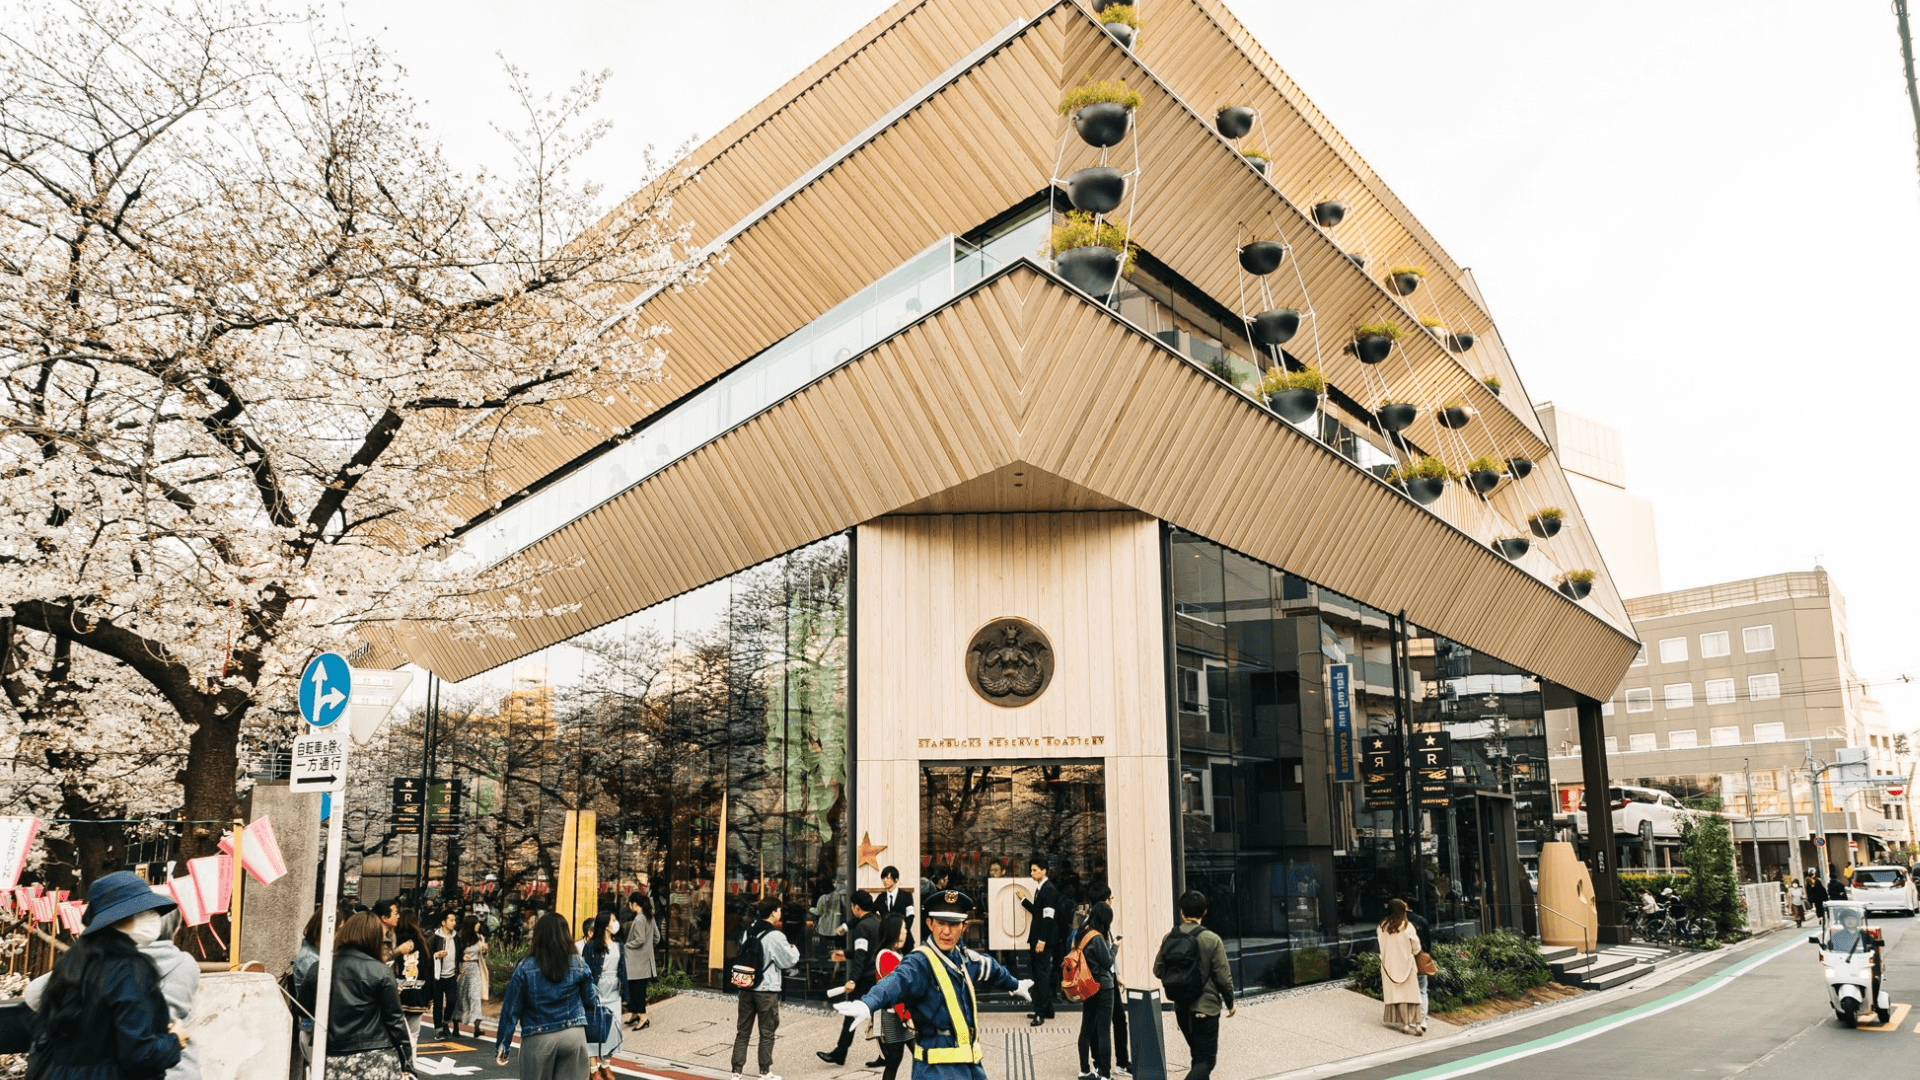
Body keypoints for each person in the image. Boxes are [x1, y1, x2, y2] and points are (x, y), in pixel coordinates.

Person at [833, 889, 1034, 1080]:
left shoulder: (965, 958)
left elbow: (991, 969)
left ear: (964, 927)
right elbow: (895, 981)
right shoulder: (920, 961)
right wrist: (867, 1004)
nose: (947, 931)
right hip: (936, 1070)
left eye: (954, 924)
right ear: (930, 924)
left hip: (971, 1066)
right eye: (941, 923)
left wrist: (1015, 985)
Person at [25, 871, 186, 1080]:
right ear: (114, 920)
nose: (152, 918)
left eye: (151, 911)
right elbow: (140, 1055)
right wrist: (174, 1040)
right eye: (140, 912)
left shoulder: (74, 961)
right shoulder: (130, 968)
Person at [298, 910, 414, 1079]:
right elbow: (395, 1021)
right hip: (377, 1058)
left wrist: (310, 1045)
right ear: (374, 939)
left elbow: (304, 1012)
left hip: (332, 1057)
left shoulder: (319, 968)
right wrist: (407, 1062)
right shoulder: (381, 972)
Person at [495, 912, 597, 1079]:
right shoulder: (578, 963)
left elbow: (511, 1008)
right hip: (573, 1035)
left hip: (538, 1038)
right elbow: (591, 1001)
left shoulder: (525, 967)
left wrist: (503, 1044)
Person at [1154, 891, 1234, 1080]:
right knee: (1206, 1061)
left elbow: (1158, 970)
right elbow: (1224, 978)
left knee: (1197, 1057)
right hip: (1205, 1007)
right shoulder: (1211, 939)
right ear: (1204, 911)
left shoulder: (1169, 937)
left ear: (1182, 912)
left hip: (1181, 1008)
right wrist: (1230, 1003)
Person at [730, 897, 801, 1080]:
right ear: (772, 913)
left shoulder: (748, 932)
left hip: (746, 986)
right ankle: (764, 1071)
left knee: (743, 1031)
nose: (780, 913)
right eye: (779, 910)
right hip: (766, 989)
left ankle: (736, 1072)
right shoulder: (776, 936)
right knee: (767, 1031)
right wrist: (793, 948)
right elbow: (788, 960)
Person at [819, 891, 879, 1066]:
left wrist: (852, 979)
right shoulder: (877, 922)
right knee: (881, 1016)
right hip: (878, 975)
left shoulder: (862, 927)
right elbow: (866, 951)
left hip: (865, 978)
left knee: (851, 1015)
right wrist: (845, 954)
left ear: (856, 907)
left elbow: (861, 955)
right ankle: (887, 1055)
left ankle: (840, 1053)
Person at [1073, 904, 1118, 1080]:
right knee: (1104, 1031)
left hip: (1086, 985)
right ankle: (1105, 1075)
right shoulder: (1097, 937)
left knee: (1086, 1029)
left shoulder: (1080, 933)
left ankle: (1084, 1070)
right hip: (1103, 987)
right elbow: (1107, 962)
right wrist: (1115, 947)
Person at [582, 914, 627, 1080]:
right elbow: (584, 971)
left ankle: (605, 1064)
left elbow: (623, 970)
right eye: (613, 920)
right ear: (605, 924)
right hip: (596, 994)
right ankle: (593, 1069)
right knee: (594, 1031)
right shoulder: (591, 946)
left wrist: (626, 995)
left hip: (614, 993)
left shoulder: (619, 945)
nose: (616, 923)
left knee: (613, 1031)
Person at [1021, 858, 1064, 1026]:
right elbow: (1037, 912)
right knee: (1040, 974)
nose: (1032, 873)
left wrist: (1042, 940)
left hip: (1042, 940)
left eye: (1034, 870)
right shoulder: (1042, 889)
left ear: (1044, 870)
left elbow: (1048, 917)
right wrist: (1024, 900)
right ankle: (1048, 1009)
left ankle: (1040, 1012)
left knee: (1041, 976)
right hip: (1039, 938)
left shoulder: (1048, 889)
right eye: (1031, 870)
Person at [870, 914, 913, 1080]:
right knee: (919, 1056)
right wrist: (907, 1017)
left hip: (897, 1014)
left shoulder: (893, 954)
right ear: (895, 931)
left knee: (894, 1061)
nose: (906, 931)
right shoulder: (887, 956)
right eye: (904, 928)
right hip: (896, 1015)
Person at [1375, 899, 1423, 1036]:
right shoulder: (1407, 926)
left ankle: (1406, 1024)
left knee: (1399, 995)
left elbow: (1381, 947)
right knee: (1413, 995)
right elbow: (1416, 947)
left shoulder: (1382, 926)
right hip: (1407, 964)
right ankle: (1418, 1025)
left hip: (1390, 965)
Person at [388, 906, 432, 1050]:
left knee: (394, 1037)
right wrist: (430, 998)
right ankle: (410, 1066)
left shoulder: (394, 943)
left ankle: (399, 1066)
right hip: (418, 995)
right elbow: (429, 971)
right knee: (413, 1036)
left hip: (397, 995)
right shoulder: (423, 943)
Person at [290, 907, 325, 1078]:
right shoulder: (310, 959)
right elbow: (315, 997)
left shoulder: (317, 956)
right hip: (311, 1026)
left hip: (311, 1025)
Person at [622, 893, 659, 1031]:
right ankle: (635, 1014)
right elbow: (657, 938)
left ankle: (643, 1017)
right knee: (638, 989)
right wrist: (648, 949)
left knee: (635, 990)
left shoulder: (639, 919)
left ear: (634, 904)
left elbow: (639, 940)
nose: (630, 906)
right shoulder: (649, 917)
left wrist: (626, 946)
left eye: (630, 904)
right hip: (645, 961)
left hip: (635, 962)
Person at [455, 914, 489, 1041]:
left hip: (475, 968)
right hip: (462, 970)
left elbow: (483, 955)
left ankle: (476, 1028)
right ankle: (456, 1026)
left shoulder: (480, 937)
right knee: (460, 996)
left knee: (475, 996)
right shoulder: (459, 938)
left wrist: (485, 950)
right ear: (470, 925)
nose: (479, 925)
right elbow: (456, 954)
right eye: (476, 923)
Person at [430, 909, 460, 1039]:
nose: (454, 922)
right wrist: (436, 955)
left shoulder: (456, 938)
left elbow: (460, 953)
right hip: (437, 977)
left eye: (454, 920)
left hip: (451, 975)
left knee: (452, 1001)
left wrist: (462, 960)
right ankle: (438, 1030)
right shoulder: (434, 938)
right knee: (437, 1004)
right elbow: (425, 955)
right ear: (443, 922)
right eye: (451, 920)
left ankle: (445, 1021)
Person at [1403, 901, 1431, 1033]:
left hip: (1405, 960)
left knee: (1407, 990)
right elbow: (1428, 943)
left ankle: (1409, 1021)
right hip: (1420, 958)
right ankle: (1423, 1021)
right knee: (1422, 990)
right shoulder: (1422, 921)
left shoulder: (1399, 924)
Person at [873, 867, 916, 941]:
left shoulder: (906, 896)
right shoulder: (881, 897)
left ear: (896, 879)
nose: (885, 881)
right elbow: (871, 911)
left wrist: (902, 932)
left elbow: (910, 916)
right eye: (883, 878)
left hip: (904, 939)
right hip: (886, 939)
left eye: (888, 878)